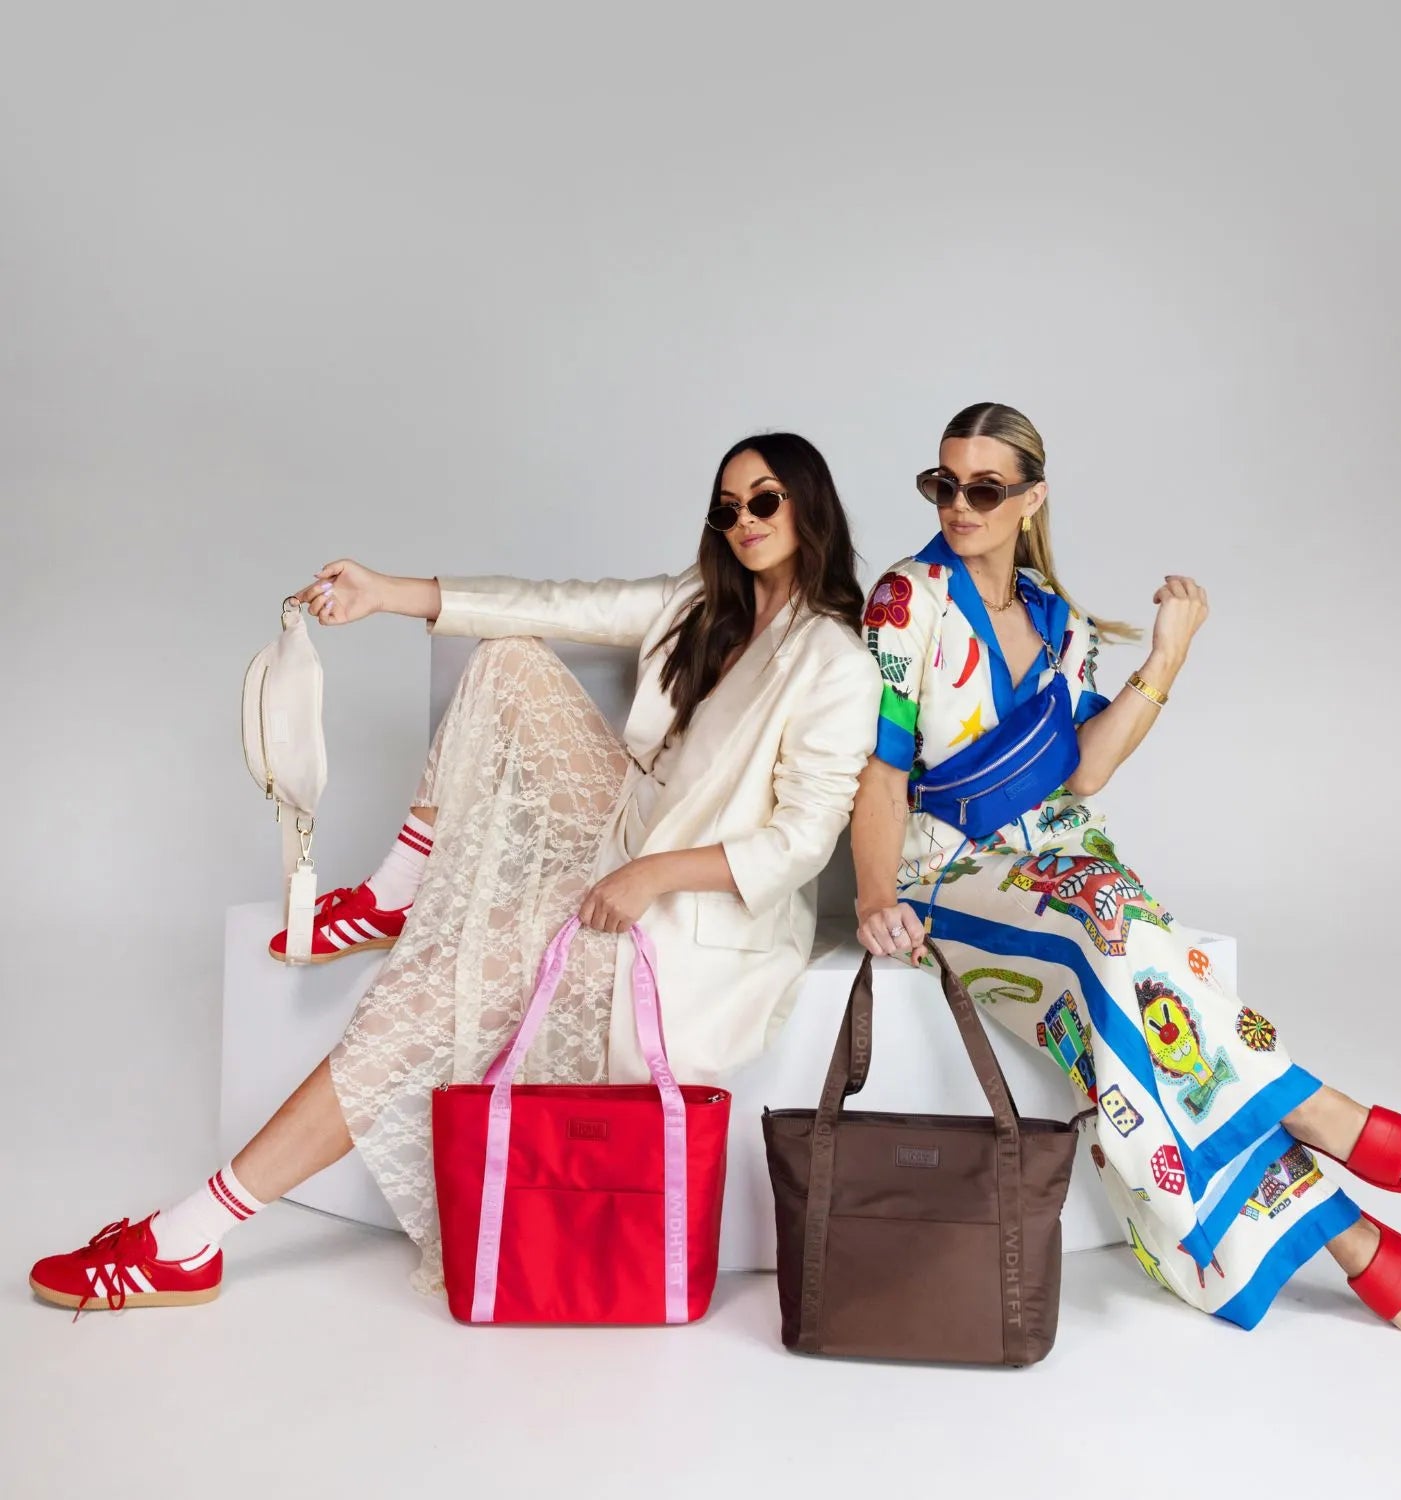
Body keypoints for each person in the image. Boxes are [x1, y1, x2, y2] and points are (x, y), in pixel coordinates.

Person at [32, 433, 881, 1311]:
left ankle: (190, 1235)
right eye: (727, 507)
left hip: (691, 915)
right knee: (508, 656)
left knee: (419, 999)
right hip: (623, 837)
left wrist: (654, 876)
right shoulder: (703, 604)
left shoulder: (836, 664)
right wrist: (384, 591)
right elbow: (555, 602)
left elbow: (800, 842)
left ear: (808, 505)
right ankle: (395, 892)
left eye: (765, 500)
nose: (744, 521)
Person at [850, 401, 1401, 1334]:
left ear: (1032, 498)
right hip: (948, 871)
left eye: (985, 488)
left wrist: (1170, 653)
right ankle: (1315, 1113)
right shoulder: (907, 600)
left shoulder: (1061, 623)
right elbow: (883, 770)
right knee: (1111, 922)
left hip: (1064, 861)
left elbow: (1085, 771)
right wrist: (873, 896)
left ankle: (1338, 1223)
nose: (959, 505)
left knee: (1133, 960)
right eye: (944, 484)